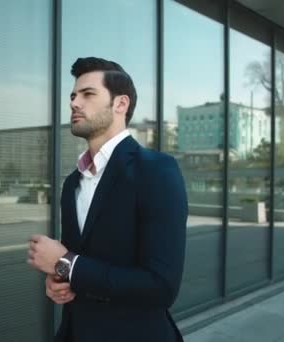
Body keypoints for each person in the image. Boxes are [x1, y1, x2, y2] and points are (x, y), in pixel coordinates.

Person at [28, 57, 187, 342]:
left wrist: (65, 263)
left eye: (88, 94)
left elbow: (161, 287)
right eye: (73, 95)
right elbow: (80, 266)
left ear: (120, 104)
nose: (75, 103)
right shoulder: (72, 184)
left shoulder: (156, 170)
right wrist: (60, 281)